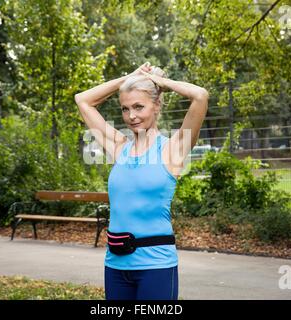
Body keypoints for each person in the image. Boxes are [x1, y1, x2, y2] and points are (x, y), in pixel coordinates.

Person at [74, 62, 208, 300]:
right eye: (125, 109)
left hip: (155, 266)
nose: (131, 116)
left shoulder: (172, 150)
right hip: (115, 265)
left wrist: (161, 84)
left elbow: (200, 95)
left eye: (139, 106)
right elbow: (83, 99)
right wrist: (129, 78)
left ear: (157, 105)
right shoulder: (119, 147)